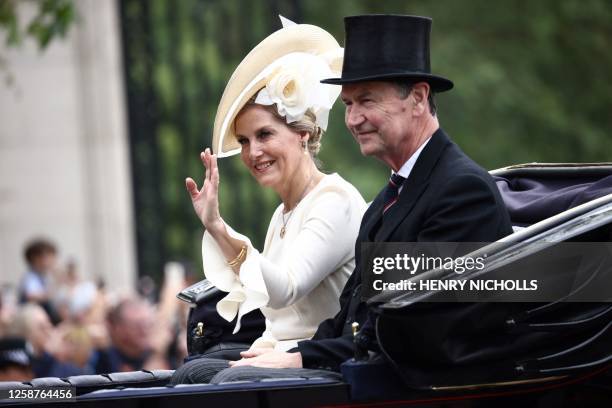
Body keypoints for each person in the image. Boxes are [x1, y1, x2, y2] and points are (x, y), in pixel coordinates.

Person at [171, 14, 513, 385]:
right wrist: (297, 354)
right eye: (348, 103)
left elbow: (412, 329)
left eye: (366, 100)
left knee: (223, 383)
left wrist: (299, 358)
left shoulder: (461, 192)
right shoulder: (389, 198)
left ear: (418, 98)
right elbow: (350, 315)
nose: (353, 119)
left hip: (423, 385)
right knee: (193, 375)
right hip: (371, 368)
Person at [169, 18, 366, 383]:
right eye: (244, 141)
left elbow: (285, 288)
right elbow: (278, 317)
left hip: (322, 363)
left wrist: (217, 226)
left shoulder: (334, 200)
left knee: (218, 380)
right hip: (284, 358)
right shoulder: (282, 213)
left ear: (303, 135)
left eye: (264, 135)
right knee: (192, 372)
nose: (253, 152)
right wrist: (266, 343)